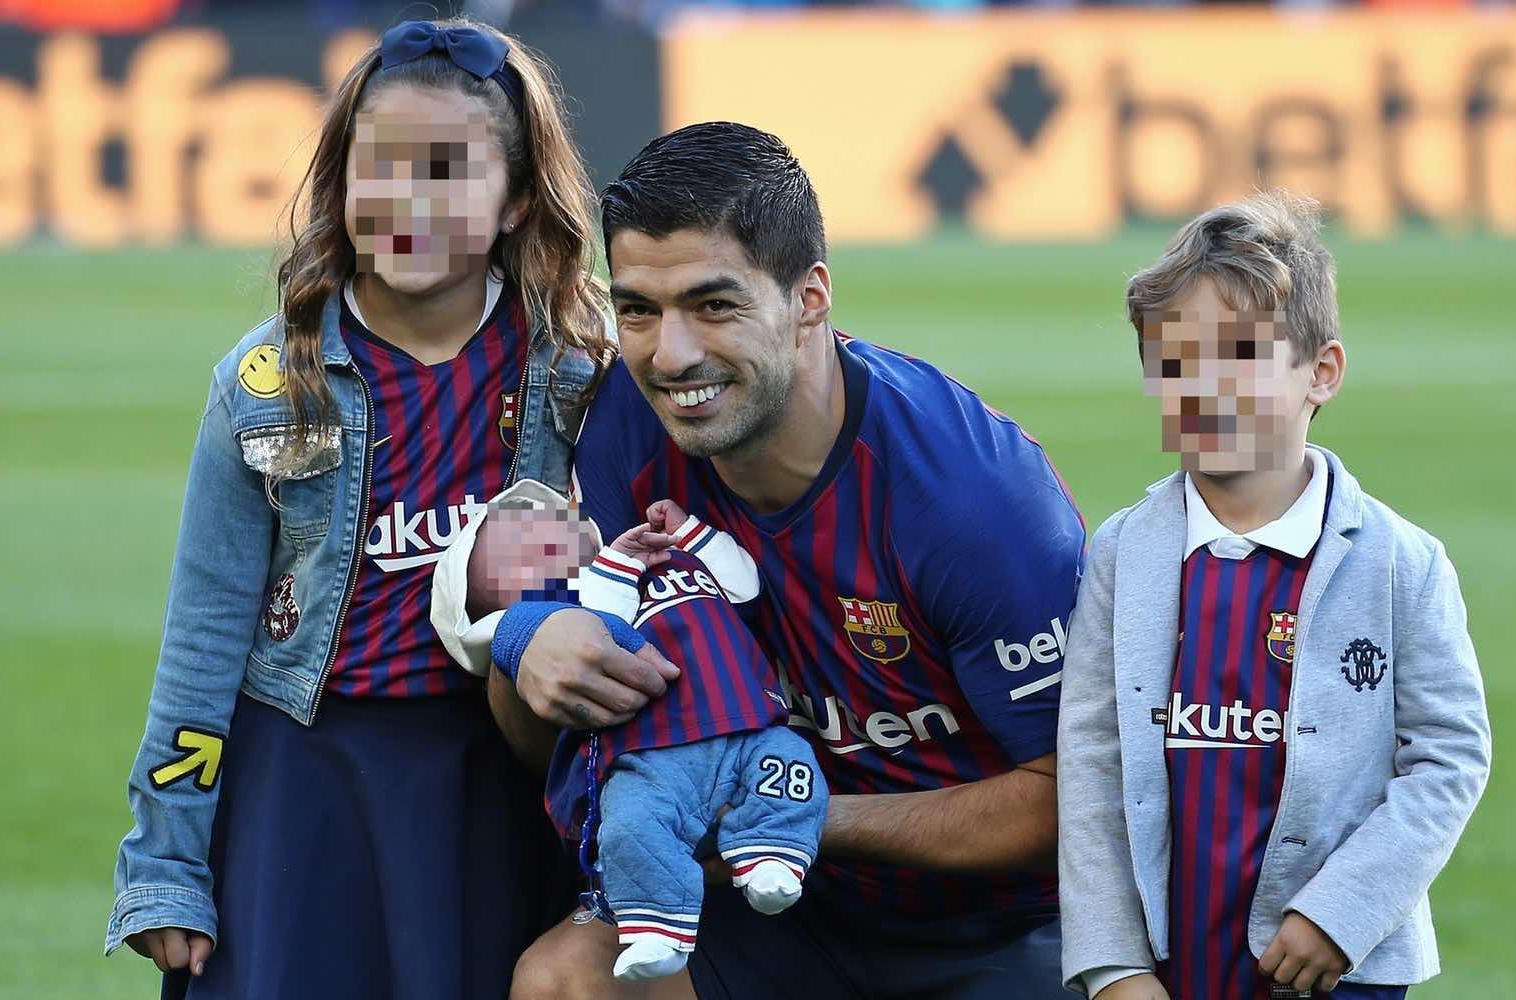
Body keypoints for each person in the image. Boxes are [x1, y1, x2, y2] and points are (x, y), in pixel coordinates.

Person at [432, 121, 1087, 999]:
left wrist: (801, 816)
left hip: (1002, 929)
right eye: (638, 310)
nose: (671, 356)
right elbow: (581, 738)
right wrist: (527, 652)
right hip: (769, 911)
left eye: (714, 304)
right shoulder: (628, 422)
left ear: (810, 297)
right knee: (564, 981)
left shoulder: (975, 500)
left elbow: (1065, 799)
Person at [104, 19, 639, 998]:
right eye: (379, 166)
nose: (408, 200)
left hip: (499, 778)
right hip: (306, 781)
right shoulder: (265, 384)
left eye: (447, 172)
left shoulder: (582, 366)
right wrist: (165, 868)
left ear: (516, 198)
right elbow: (203, 636)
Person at [1055, 190, 1492, 1000]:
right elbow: (1091, 767)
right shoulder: (1123, 554)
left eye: (1240, 355)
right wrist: (1111, 964)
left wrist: (1342, 912)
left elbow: (1450, 755)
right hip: (1168, 964)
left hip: (1334, 969)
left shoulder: (1402, 563)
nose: (1204, 388)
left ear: (1320, 372)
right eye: (1175, 364)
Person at [465, 494, 828, 983]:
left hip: (749, 721)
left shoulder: (670, 555)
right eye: (515, 559)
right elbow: (603, 625)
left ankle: (771, 856)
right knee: (631, 825)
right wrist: (602, 575)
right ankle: (655, 925)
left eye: (537, 526)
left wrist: (689, 535)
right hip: (656, 760)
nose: (539, 544)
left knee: (789, 763)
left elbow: (745, 589)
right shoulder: (579, 614)